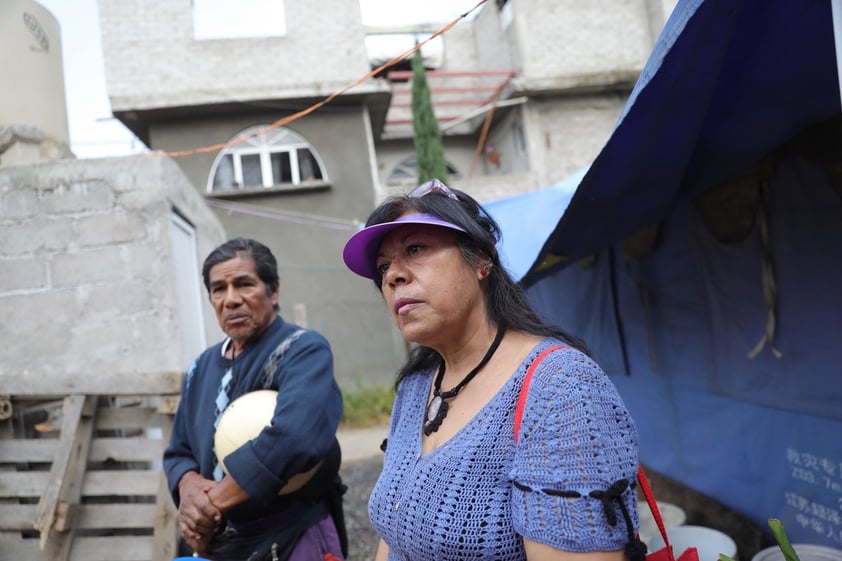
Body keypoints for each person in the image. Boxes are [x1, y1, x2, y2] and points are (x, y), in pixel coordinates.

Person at [341, 179, 645, 561]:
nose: (392, 276)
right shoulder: (416, 386)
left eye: (415, 249)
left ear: (481, 259)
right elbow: (393, 535)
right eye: (383, 267)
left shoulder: (561, 389)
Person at [163, 237, 346, 561]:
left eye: (244, 284)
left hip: (291, 538)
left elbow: (296, 436)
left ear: (273, 291)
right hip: (225, 546)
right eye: (219, 289)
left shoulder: (303, 350)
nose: (230, 299)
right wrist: (189, 487)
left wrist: (211, 504)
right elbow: (179, 450)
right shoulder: (200, 368)